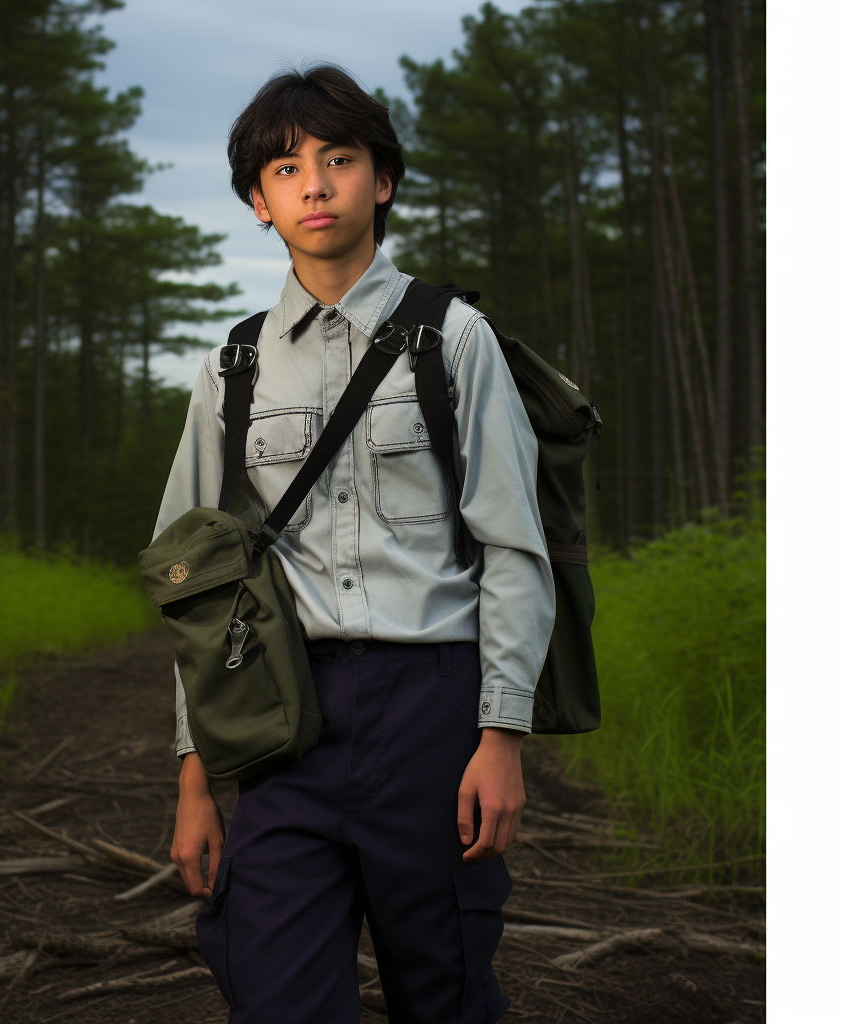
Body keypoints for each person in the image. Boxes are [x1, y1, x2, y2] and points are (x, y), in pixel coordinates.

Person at [153, 64, 555, 1024]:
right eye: (286, 169)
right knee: (278, 992)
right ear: (260, 201)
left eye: (339, 159)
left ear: (382, 179)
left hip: (432, 712)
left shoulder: (452, 341)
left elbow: (512, 546)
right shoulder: (231, 369)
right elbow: (197, 596)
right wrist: (195, 780)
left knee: (443, 991)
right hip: (282, 721)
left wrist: (501, 736)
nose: (316, 185)